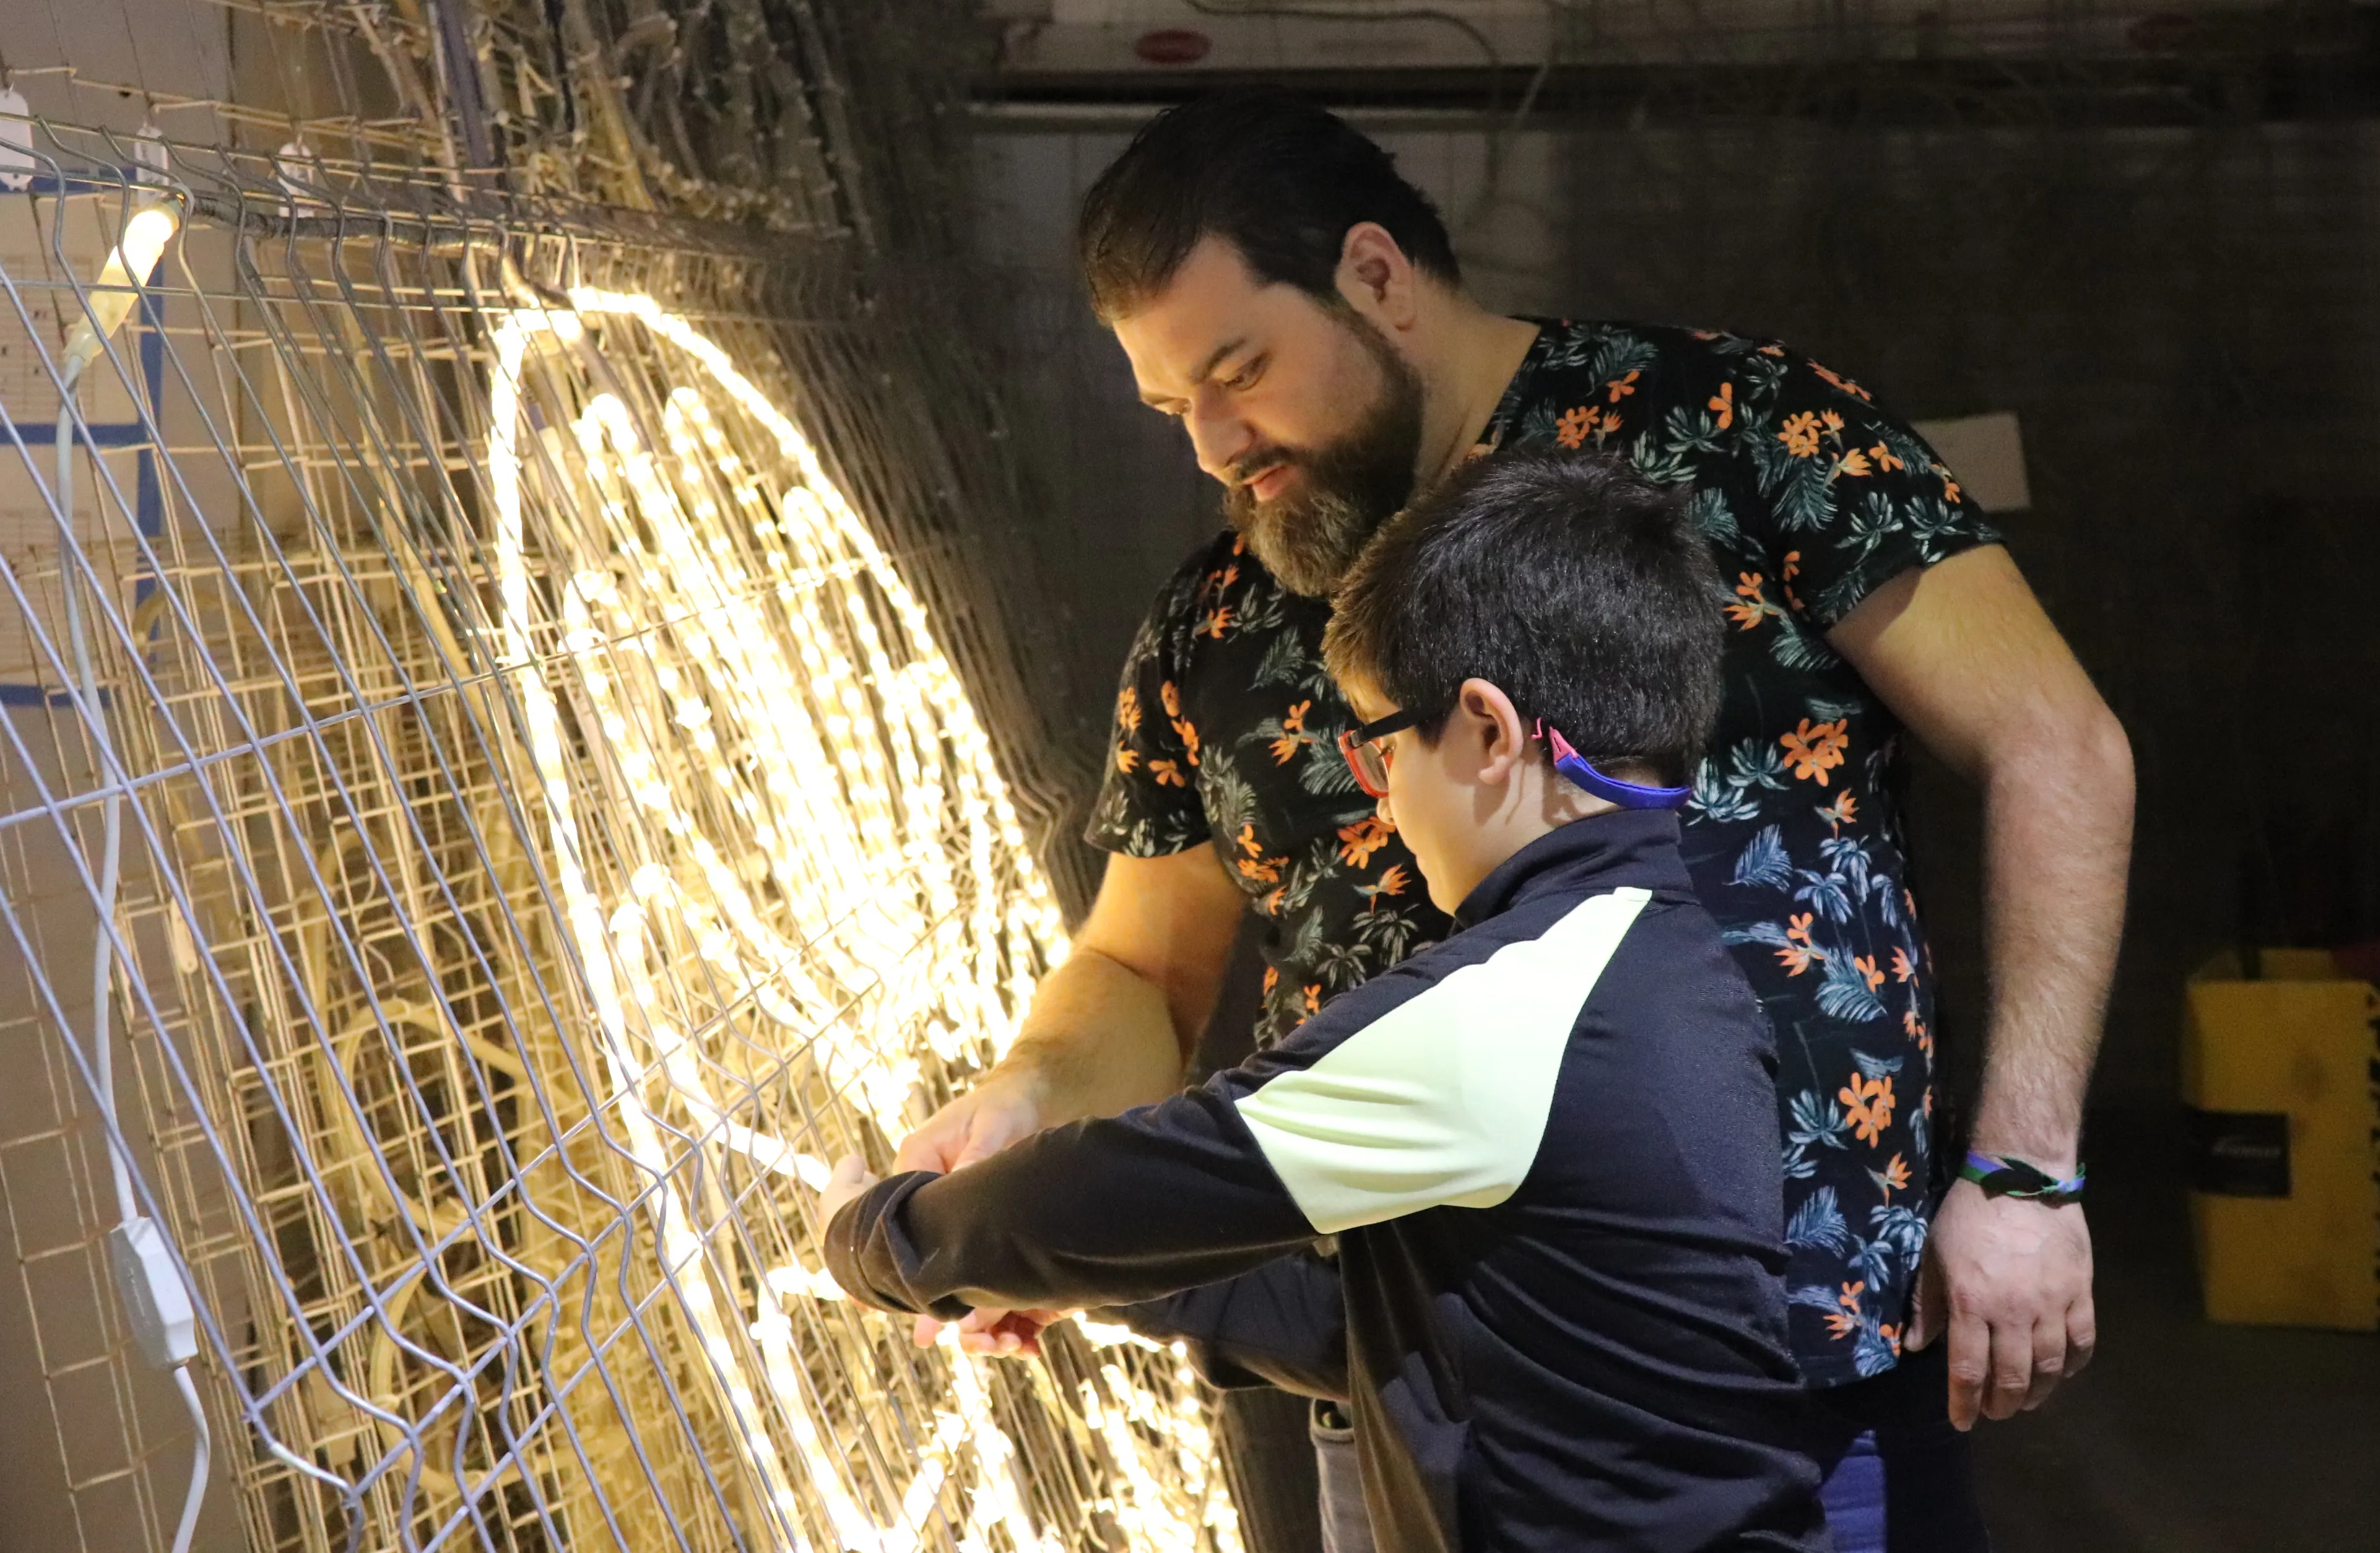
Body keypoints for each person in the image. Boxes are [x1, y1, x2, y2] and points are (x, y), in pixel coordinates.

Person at [898, 90, 2134, 1551]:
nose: (1217, 446)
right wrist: (1031, 1101)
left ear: (1375, 275)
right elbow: (1135, 968)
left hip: (1787, 1366)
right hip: (1403, 1385)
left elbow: (2056, 743)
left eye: (1242, 370)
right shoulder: (1215, 620)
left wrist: (2022, 1170)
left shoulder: (1737, 432)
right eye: (1176, 408)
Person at [821, 449, 1826, 1553]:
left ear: (1488, 733)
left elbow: (1153, 1175)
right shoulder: (1650, 956)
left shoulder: (1516, 1005)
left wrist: (882, 1235)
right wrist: (1098, 1286)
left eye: (1382, 742)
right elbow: (1405, 1334)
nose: (1380, 792)